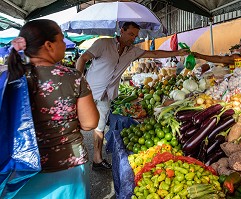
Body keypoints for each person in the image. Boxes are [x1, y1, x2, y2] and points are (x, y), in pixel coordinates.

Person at [76, 21, 189, 170]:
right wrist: (78, 82)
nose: (133, 38)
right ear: (121, 30)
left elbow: (154, 53)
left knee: (100, 127)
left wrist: (176, 53)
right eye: (130, 34)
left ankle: (97, 160)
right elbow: (82, 59)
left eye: (135, 36)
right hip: (88, 92)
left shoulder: (132, 51)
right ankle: (76, 160)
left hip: (106, 95)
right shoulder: (103, 43)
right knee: (77, 124)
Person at [8, 19, 99, 199]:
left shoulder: (9, 77)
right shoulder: (72, 77)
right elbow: (90, 123)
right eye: (62, 40)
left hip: (21, 169)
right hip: (68, 165)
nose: (65, 45)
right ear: (49, 45)